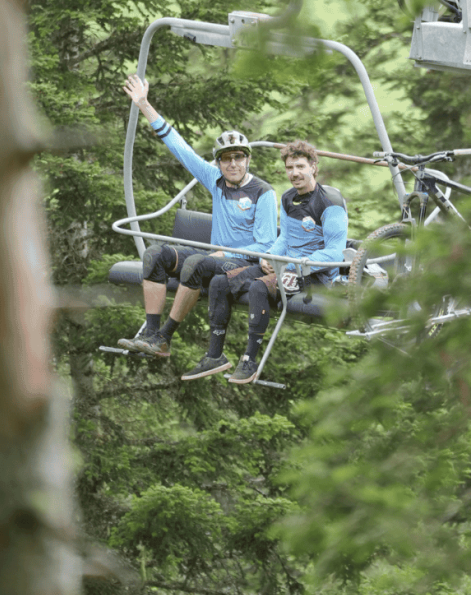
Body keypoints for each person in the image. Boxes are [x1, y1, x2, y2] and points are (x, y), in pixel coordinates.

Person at [119, 73, 277, 355]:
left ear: (248, 159)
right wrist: (144, 104)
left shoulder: (263, 193)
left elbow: (264, 246)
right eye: (226, 159)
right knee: (155, 255)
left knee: (194, 263)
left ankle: (165, 337)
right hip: (213, 257)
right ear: (218, 162)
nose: (233, 164)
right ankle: (151, 333)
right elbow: (180, 147)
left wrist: (224, 252)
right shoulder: (214, 179)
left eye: (239, 157)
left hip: (238, 263)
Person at [182, 139, 349, 384]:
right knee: (220, 282)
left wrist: (292, 265)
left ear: (314, 167)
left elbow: (335, 252)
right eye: (290, 168)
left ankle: (250, 360)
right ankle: (214, 355)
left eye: (301, 167)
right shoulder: (289, 198)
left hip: (316, 275)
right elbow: (286, 239)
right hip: (286, 265)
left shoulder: (330, 202)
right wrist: (268, 256)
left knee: (260, 287)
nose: (295, 173)